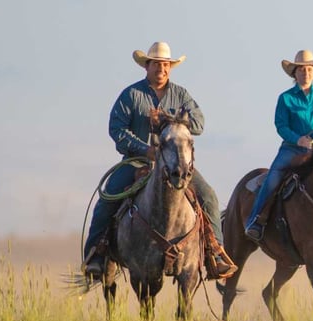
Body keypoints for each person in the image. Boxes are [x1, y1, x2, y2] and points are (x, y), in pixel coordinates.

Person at [82, 42, 236, 280]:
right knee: (108, 198)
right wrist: (145, 150)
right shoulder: (131, 95)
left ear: (170, 68)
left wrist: (172, 120)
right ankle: (96, 255)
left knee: (208, 196)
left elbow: (199, 124)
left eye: (165, 65)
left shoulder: (181, 95)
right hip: (136, 163)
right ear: (147, 66)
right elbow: (117, 129)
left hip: (176, 164)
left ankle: (215, 253)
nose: (161, 69)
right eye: (156, 64)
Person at [244, 50, 313, 242]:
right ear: (294, 73)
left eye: (309, 69)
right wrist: (298, 139)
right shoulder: (285, 98)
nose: (306, 73)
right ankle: (256, 220)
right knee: (273, 178)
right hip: (291, 148)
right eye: (301, 69)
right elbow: (281, 125)